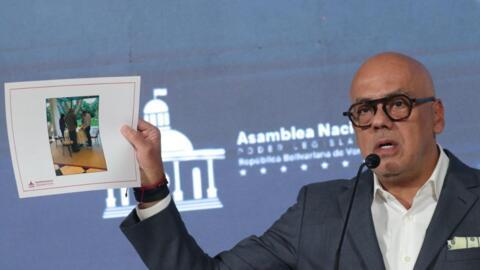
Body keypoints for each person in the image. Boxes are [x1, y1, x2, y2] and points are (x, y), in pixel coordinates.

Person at [120, 52, 480, 270]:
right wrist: (152, 182)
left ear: (436, 116)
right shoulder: (320, 212)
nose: (378, 120)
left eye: (397, 104)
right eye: (364, 110)